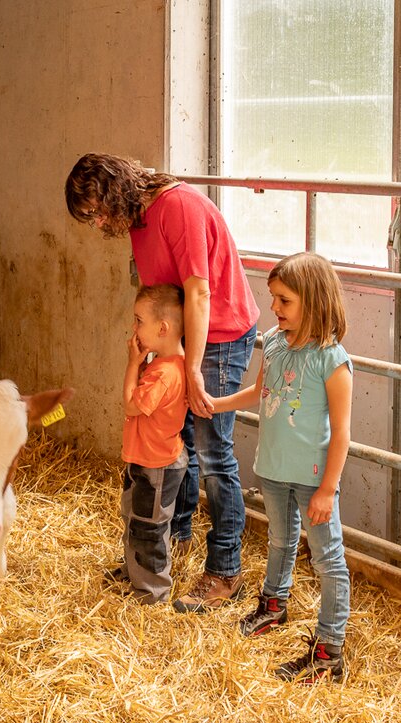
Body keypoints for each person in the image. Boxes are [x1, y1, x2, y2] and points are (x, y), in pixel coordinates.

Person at [66, 153, 260, 613]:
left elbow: (199, 292)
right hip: (184, 336)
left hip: (221, 331)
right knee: (178, 442)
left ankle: (225, 569)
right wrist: (155, 349)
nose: (97, 224)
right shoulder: (138, 219)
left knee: (213, 450)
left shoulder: (178, 207)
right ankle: (167, 547)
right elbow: (162, 297)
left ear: (114, 191)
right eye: (89, 217)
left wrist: (192, 367)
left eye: (95, 211)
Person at [211, 252, 352, 683]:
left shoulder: (333, 361)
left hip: (312, 478)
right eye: (274, 298)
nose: (274, 307)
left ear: (314, 301)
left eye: (284, 300)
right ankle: (274, 605)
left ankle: (330, 650)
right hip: (272, 468)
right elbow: (259, 391)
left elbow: (342, 433)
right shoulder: (272, 342)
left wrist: (328, 489)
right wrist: (216, 404)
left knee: (328, 560)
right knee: (278, 540)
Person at [109, 284, 189, 605]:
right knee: (134, 516)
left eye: (139, 320)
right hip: (147, 458)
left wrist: (132, 363)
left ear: (163, 328)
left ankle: (153, 593)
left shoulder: (165, 374)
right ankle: (135, 569)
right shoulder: (163, 365)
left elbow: (130, 405)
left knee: (149, 527)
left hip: (156, 465)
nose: (134, 328)